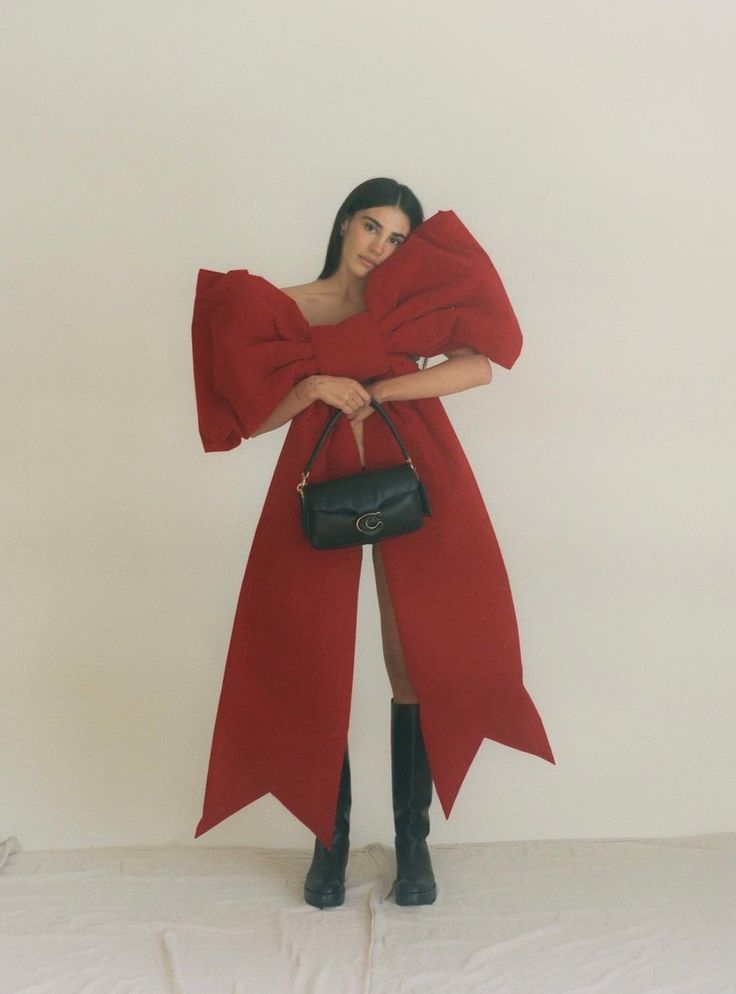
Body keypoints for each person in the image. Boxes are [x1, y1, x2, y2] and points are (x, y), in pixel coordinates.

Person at [190, 177, 554, 910]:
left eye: (396, 238)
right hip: (314, 474)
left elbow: (481, 365)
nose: (380, 247)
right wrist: (318, 385)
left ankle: (413, 849)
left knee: (414, 652)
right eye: (370, 227)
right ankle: (329, 844)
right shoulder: (286, 307)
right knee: (307, 655)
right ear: (343, 224)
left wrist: (382, 390)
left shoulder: (405, 305)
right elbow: (252, 420)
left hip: (413, 467)